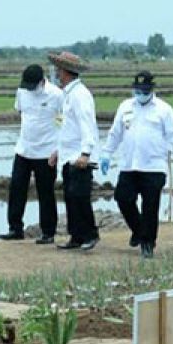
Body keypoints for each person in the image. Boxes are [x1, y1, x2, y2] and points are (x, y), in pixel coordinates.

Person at [100, 71, 173, 258]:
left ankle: (147, 244)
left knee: (150, 207)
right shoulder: (125, 107)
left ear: (151, 90)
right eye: (138, 90)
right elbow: (115, 133)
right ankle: (139, 231)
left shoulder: (163, 109)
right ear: (134, 89)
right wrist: (106, 153)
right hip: (129, 165)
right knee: (123, 198)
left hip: (153, 167)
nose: (141, 94)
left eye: (145, 91)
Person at [0, 64, 63, 243]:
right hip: (24, 149)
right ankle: (15, 228)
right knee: (17, 188)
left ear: (42, 82)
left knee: (46, 192)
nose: (29, 89)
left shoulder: (56, 95)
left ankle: (48, 232)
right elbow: (21, 112)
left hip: (46, 152)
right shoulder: (22, 92)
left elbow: (62, 122)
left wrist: (57, 150)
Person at [49, 51, 100, 251]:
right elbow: (63, 127)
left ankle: (90, 233)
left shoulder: (80, 95)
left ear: (65, 72)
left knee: (80, 196)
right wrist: (56, 151)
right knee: (70, 196)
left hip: (79, 156)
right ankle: (76, 236)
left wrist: (85, 153)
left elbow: (87, 125)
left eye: (58, 70)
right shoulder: (66, 95)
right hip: (67, 155)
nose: (56, 74)